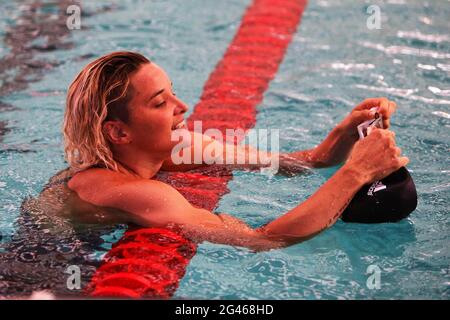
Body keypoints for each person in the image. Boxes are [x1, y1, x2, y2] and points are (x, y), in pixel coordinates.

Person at [41, 51, 408, 251]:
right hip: (51, 269)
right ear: (119, 131)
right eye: (160, 103)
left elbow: (303, 163)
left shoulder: (174, 147)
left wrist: (343, 135)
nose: (182, 106)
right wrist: (356, 174)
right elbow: (263, 239)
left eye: (172, 91)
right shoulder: (137, 193)